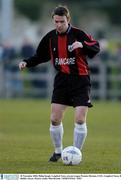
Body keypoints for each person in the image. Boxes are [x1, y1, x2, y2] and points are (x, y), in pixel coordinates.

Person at [19, 5, 100, 162]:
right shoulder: (50, 38)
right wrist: (26, 62)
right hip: (62, 80)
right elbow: (40, 56)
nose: (58, 25)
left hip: (80, 80)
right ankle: (57, 152)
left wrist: (82, 45)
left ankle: (75, 153)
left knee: (80, 119)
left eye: (61, 21)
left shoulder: (79, 34)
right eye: (56, 21)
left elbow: (96, 47)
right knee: (55, 118)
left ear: (68, 20)